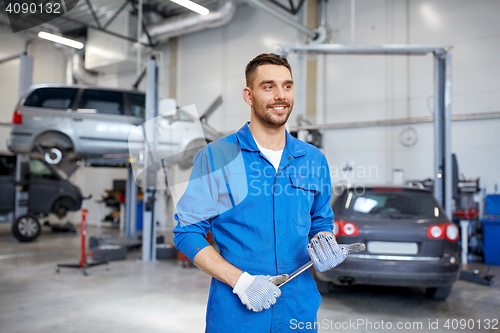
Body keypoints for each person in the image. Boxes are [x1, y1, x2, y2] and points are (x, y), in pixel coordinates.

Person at [173, 53, 354, 332]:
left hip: (299, 308)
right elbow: (186, 231)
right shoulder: (217, 156)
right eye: (268, 86)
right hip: (237, 310)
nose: (280, 95)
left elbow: (320, 220)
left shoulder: (313, 159)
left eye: (287, 86)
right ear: (249, 95)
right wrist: (241, 281)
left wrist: (324, 241)